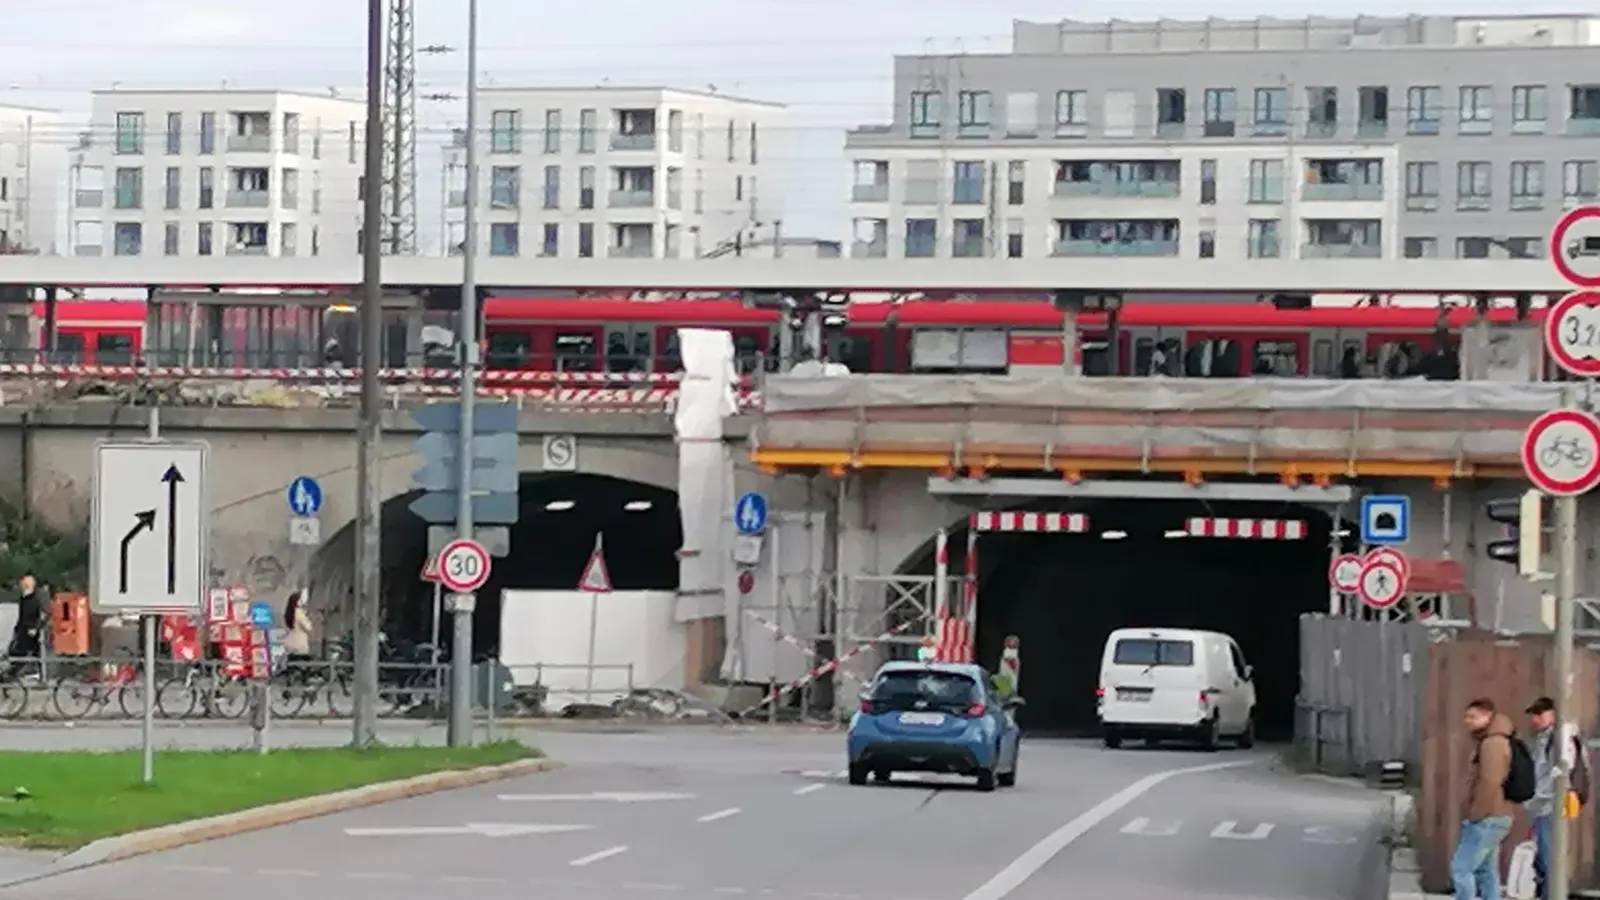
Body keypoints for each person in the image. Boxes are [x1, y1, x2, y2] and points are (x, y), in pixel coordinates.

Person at [1454, 698, 1519, 900]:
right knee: (1486, 870)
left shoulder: (1493, 743)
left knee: (1461, 869)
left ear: (1487, 716)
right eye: (1466, 716)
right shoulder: (1493, 740)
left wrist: (1476, 814)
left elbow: (1490, 781)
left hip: (1487, 817)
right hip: (1497, 815)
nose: (1467, 721)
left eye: (1473, 716)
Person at [1524, 696, 1587, 900]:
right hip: (1543, 804)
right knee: (1544, 857)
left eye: (1540, 714)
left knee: (1548, 857)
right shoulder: (1545, 738)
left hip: (1550, 804)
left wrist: (1539, 797)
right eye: (1534, 714)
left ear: (1553, 714)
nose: (1535, 719)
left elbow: (1561, 769)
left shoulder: (1558, 737)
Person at [6, 574, 45, 671]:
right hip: (24, 628)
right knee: (15, 650)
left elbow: (44, 613)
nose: (21, 587)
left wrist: (36, 628)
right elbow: (22, 615)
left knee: (35, 652)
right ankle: (13, 672)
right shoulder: (24, 598)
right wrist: (17, 628)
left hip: (34, 629)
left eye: (23, 585)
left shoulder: (39, 596)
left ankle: (36, 673)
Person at [282, 591, 315, 661]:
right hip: (299, 644)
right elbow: (308, 627)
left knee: (292, 665)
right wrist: (308, 619)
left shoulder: (290, 611)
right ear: (297, 601)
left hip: (290, 642)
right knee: (303, 665)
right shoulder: (299, 612)